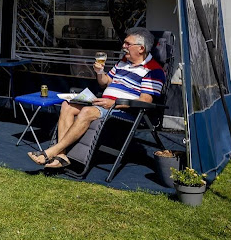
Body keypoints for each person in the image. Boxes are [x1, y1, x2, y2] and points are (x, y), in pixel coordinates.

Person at [28, 27, 165, 169]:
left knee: (87, 112)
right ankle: (62, 155)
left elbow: (145, 101)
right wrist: (100, 72)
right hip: (103, 104)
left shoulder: (153, 71)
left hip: (123, 111)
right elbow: (105, 82)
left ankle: (51, 152)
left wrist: (114, 103)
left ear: (141, 48)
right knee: (67, 105)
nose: (123, 46)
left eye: (127, 44)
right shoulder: (123, 62)